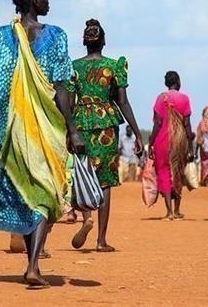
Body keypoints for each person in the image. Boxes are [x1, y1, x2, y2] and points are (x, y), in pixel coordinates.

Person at [0, 0, 83, 288]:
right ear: (35, 0)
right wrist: (72, 128)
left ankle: (32, 262)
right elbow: (62, 87)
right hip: (43, 127)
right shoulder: (56, 36)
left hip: (10, 127)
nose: (49, 2)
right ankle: (34, 265)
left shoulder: (0, 37)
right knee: (45, 193)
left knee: (27, 193)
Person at [66, 18, 143, 251]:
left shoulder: (74, 67)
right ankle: (101, 240)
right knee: (105, 181)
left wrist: (68, 132)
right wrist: (138, 133)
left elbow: (68, 104)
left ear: (84, 42)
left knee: (83, 174)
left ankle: (86, 217)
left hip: (80, 124)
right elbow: (123, 102)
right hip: (106, 124)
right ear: (104, 41)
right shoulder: (115, 66)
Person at [148, 71, 194, 220]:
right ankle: (177, 210)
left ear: (166, 83)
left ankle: (169, 212)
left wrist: (151, 142)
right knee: (178, 171)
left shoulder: (161, 98)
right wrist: (190, 146)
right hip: (180, 140)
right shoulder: (185, 99)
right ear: (178, 82)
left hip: (162, 140)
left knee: (163, 172)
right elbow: (187, 124)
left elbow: (157, 123)